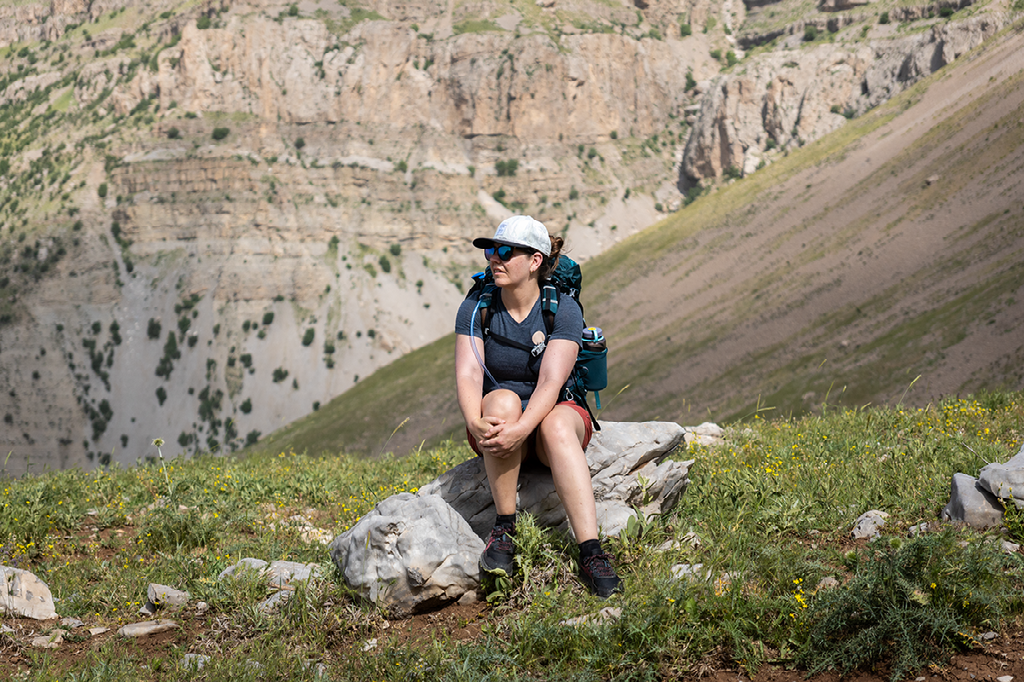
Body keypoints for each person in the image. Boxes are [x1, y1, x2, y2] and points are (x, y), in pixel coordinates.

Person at [454, 215, 622, 598]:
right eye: (490, 251)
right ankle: (504, 531)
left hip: (550, 421)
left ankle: (591, 552)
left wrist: (522, 429)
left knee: (556, 425)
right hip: (504, 422)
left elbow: (551, 381)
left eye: (504, 252)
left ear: (534, 261)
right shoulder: (476, 306)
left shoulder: (562, 309)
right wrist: (474, 421)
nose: (493, 259)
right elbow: (467, 373)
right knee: (499, 400)